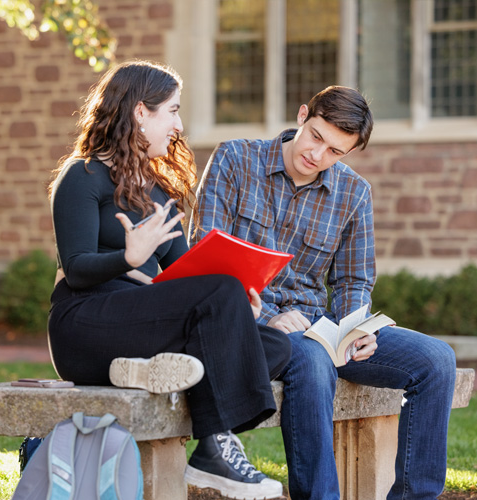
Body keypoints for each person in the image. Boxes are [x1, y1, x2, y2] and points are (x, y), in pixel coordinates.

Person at [190, 85, 457, 500]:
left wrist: (356, 329)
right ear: (302, 116)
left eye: (335, 151)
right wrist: (264, 319)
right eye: (316, 137)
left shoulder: (354, 193)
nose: (318, 155)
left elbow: (353, 280)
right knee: (312, 360)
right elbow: (203, 258)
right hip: (247, 326)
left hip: (320, 327)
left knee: (438, 360)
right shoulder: (235, 159)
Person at [47, 60, 291, 500]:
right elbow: (78, 267)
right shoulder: (82, 176)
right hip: (85, 323)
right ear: (141, 112)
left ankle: (146, 373)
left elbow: (189, 274)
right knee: (223, 303)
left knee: (275, 344)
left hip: (142, 326)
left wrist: (238, 304)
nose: (178, 125)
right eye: (172, 111)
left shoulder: (157, 191)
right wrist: (128, 257)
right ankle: (214, 449)